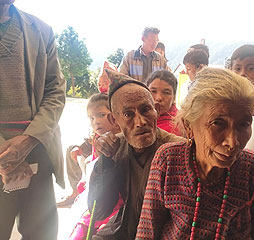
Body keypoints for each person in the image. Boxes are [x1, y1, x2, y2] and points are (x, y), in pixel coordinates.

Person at [136, 67, 254, 239]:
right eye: (218, 123)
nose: (232, 142)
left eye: (243, 124)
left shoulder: (252, 168)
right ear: (188, 126)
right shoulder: (168, 160)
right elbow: (147, 232)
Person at [87, 69, 184, 240]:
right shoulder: (115, 148)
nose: (140, 122)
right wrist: (105, 161)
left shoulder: (177, 149)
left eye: (146, 110)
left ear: (157, 110)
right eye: (128, 114)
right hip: (124, 229)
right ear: (114, 121)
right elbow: (100, 210)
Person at [0, 1, 66, 240]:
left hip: (39, 148)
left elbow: (56, 91)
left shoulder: (41, 29)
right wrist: (5, 152)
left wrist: (28, 140)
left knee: (42, 233)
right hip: (3, 155)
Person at [69, 93, 122, 240]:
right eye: (91, 118)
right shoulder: (96, 139)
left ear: (115, 115)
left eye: (101, 115)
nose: (96, 122)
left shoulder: (121, 141)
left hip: (114, 204)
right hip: (94, 199)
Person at [146, 69, 181, 136]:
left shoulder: (177, 126)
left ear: (174, 97)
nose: (158, 98)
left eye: (166, 93)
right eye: (153, 91)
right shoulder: (139, 119)